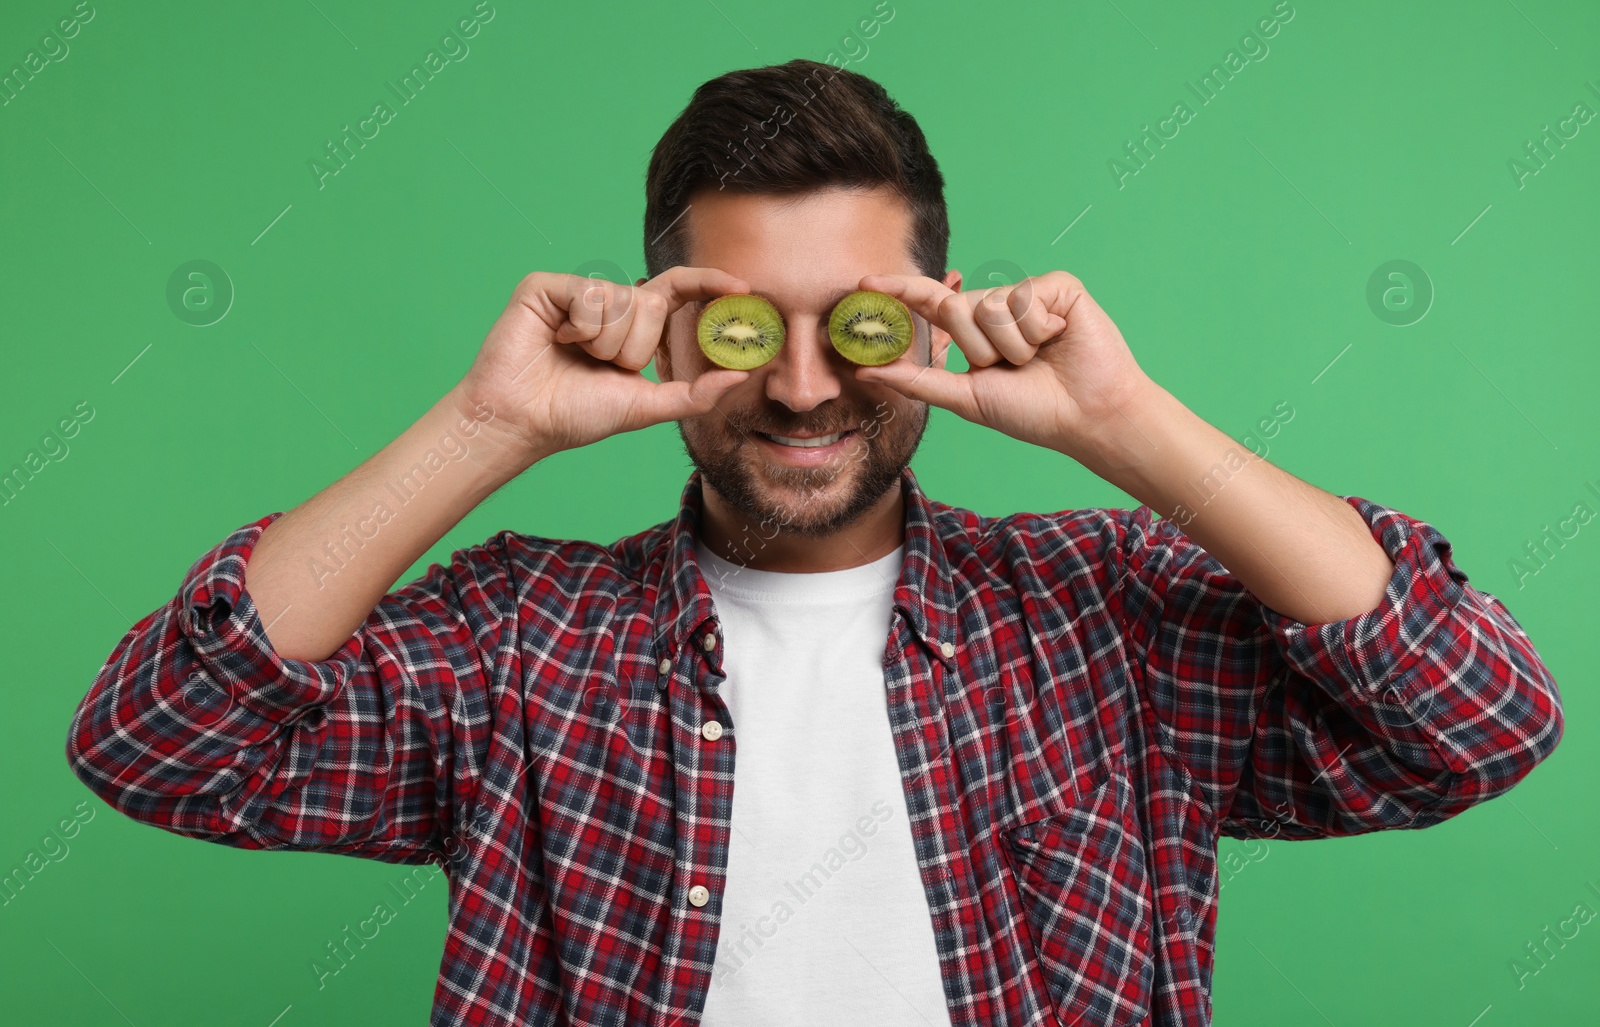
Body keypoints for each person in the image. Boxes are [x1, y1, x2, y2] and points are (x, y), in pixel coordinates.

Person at [65, 59, 1564, 1027]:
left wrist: (1124, 425)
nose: (799, 387)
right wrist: (487, 425)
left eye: (852, 323)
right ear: (658, 320)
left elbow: (1479, 719)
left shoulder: (1107, 616)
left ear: (936, 308)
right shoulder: (521, 642)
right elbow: (159, 745)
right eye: (740, 326)